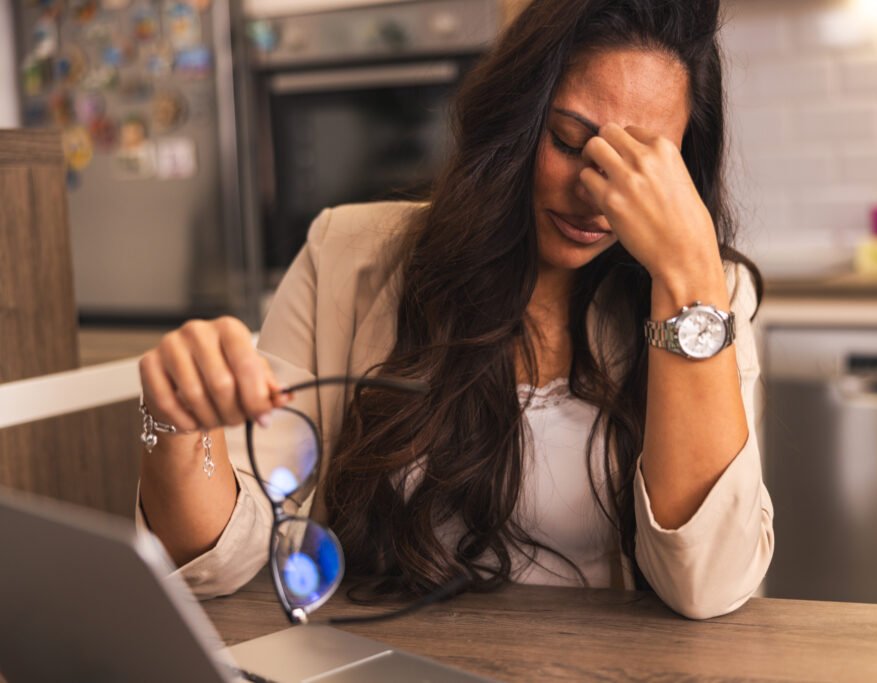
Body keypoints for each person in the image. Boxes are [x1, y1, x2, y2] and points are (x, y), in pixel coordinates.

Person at [136, 0, 774, 620]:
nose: (595, 195)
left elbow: (707, 583)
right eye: (568, 140)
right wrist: (178, 424)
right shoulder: (345, 257)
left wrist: (686, 275)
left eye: (641, 168)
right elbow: (215, 561)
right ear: (514, 121)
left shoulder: (708, 295)